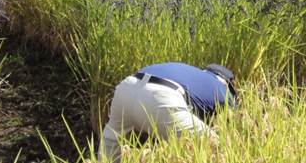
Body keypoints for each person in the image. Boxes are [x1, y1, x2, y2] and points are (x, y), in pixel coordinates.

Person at [98, 62, 236, 163]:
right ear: (225, 81)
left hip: (127, 87)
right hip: (161, 98)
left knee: (110, 145)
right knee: (217, 147)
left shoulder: (190, 72)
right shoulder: (220, 87)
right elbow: (234, 122)